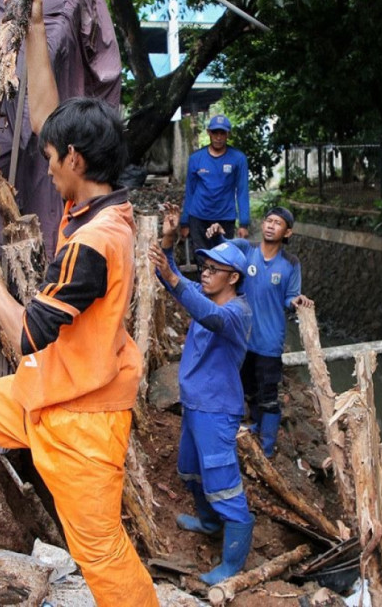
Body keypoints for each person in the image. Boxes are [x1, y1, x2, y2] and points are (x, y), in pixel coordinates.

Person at [0, 0, 158, 606]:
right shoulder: (93, 202)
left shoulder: (94, 243)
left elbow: (25, 334)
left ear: (75, 160)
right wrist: (31, 25)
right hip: (46, 390)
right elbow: (45, 116)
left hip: (83, 418)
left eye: (51, 159)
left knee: (99, 548)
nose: (44, 166)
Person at [149, 202, 254, 585]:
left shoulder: (236, 312)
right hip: (194, 405)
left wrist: (173, 279)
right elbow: (172, 278)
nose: (205, 273)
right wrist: (168, 240)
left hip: (217, 410)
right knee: (191, 471)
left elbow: (205, 312)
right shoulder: (205, 296)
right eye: (204, 267)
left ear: (234, 278)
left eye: (213, 269)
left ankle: (231, 564)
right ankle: (209, 523)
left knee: (223, 483)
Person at [205, 206, 313, 457]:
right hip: (242, 338)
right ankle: (254, 426)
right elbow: (224, 250)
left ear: (288, 233)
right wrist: (217, 235)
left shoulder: (291, 264)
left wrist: (297, 301)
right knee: (247, 388)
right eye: (268, 221)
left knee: (269, 395)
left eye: (278, 223)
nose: (271, 226)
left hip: (269, 341)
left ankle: (267, 447)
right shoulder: (246, 249)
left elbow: (290, 296)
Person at [180, 114, 250, 252]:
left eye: (222, 133)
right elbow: (190, 191)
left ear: (228, 134)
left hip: (225, 217)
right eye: (215, 132)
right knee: (201, 258)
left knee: (223, 258)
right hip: (199, 217)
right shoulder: (196, 158)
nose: (218, 137)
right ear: (209, 133)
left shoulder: (238, 158)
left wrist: (244, 223)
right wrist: (184, 222)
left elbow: (242, 191)